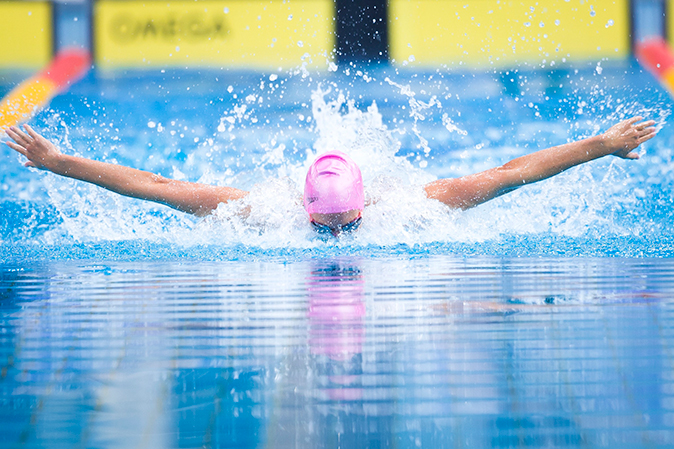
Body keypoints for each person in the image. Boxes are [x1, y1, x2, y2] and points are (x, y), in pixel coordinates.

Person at [3, 117, 657, 236]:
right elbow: (155, 186)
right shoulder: (264, 210)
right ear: (306, 211)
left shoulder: (413, 206)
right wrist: (61, 165)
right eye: (330, 228)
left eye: (348, 226)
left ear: (366, 205)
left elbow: (512, 173)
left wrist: (599, 146)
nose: (340, 240)